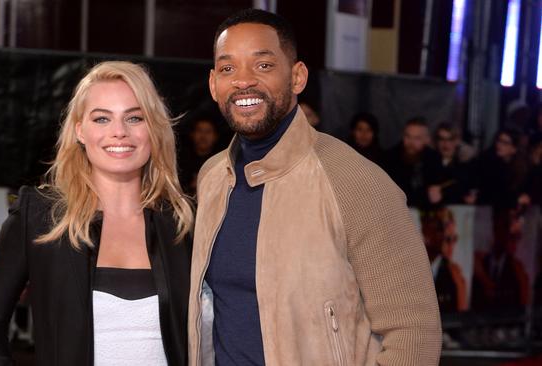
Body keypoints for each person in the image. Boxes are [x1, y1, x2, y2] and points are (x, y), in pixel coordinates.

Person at [189, 9, 441, 366]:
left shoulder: (356, 181)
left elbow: (414, 333)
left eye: (263, 65)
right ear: (214, 84)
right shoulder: (212, 178)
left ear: (297, 77)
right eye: (228, 68)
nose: (243, 81)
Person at [0, 61, 194, 366]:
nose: (119, 132)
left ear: (154, 128)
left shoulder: (183, 222)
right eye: (102, 119)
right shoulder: (39, 217)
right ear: (80, 131)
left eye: (135, 118)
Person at [382, 117, 444, 208]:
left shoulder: (434, 158)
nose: (411, 142)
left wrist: (438, 194)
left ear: (427, 140)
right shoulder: (389, 157)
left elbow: (440, 187)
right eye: (408, 136)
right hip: (396, 211)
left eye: (417, 138)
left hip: (425, 213)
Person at [428, 122, 475, 205]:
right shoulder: (428, 162)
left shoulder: (467, 164)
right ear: (436, 141)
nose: (446, 144)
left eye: (450, 139)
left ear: (457, 141)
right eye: (441, 139)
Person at [178, 117, 220, 195]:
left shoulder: (221, 163)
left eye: (208, 132)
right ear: (192, 134)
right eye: (199, 131)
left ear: (215, 136)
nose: (203, 136)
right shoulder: (180, 161)